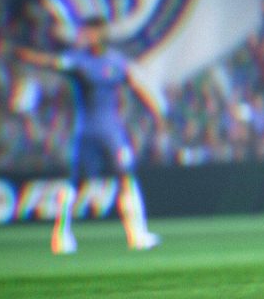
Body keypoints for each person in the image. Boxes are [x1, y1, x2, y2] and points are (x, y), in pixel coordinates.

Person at [16, 16, 163, 254]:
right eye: (86, 32)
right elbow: (52, 62)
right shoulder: (77, 61)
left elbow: (134, 86)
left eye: (92, 31)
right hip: (87, 131)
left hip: (112, 132)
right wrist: (29, 57)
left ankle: (137, 235)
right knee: (75, 183)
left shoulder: (116, 61)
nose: (88, 36)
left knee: (126, 178)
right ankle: (61, 235)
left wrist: (155, 111)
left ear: (102, 33)